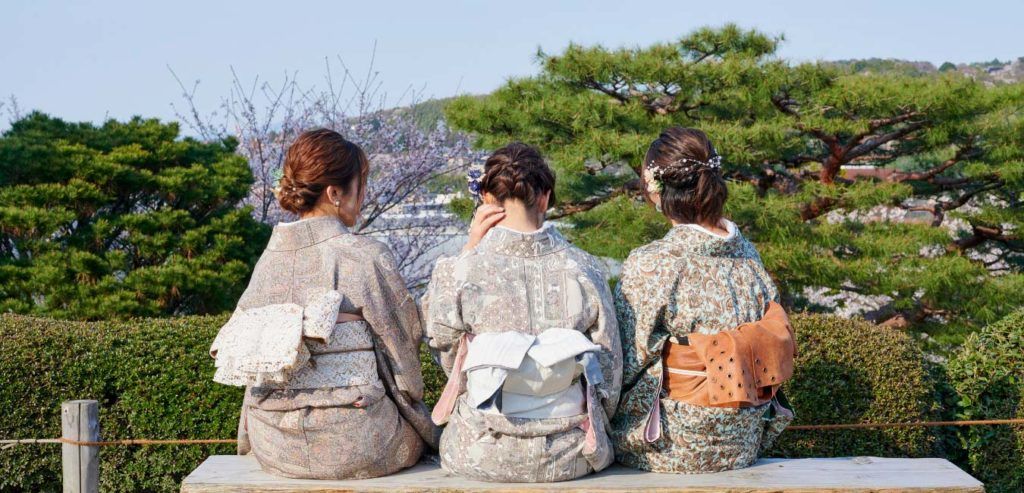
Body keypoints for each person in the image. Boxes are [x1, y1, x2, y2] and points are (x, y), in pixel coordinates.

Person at [209, 129, 437, 479]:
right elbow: (403, 351)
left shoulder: (266, 262)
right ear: (334, 193)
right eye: (361, 186)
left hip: (274, 442)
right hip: (356, 439)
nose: (363, 196)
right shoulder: (364, 255)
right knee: (419, 441)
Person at [422, 142, 622, 482]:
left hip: (481, 448)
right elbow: (609, 367)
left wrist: (470, 248)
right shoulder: (584, 267)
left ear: (486, 199)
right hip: (569, 452)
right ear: (544, 198)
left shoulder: (460, 270)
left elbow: (444, 347)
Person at [611, 127, 796, 474]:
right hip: (745, 437)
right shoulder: (747, 254)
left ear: (656, 191)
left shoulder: (654, 261)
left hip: (671, 441)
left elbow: (627, 358)